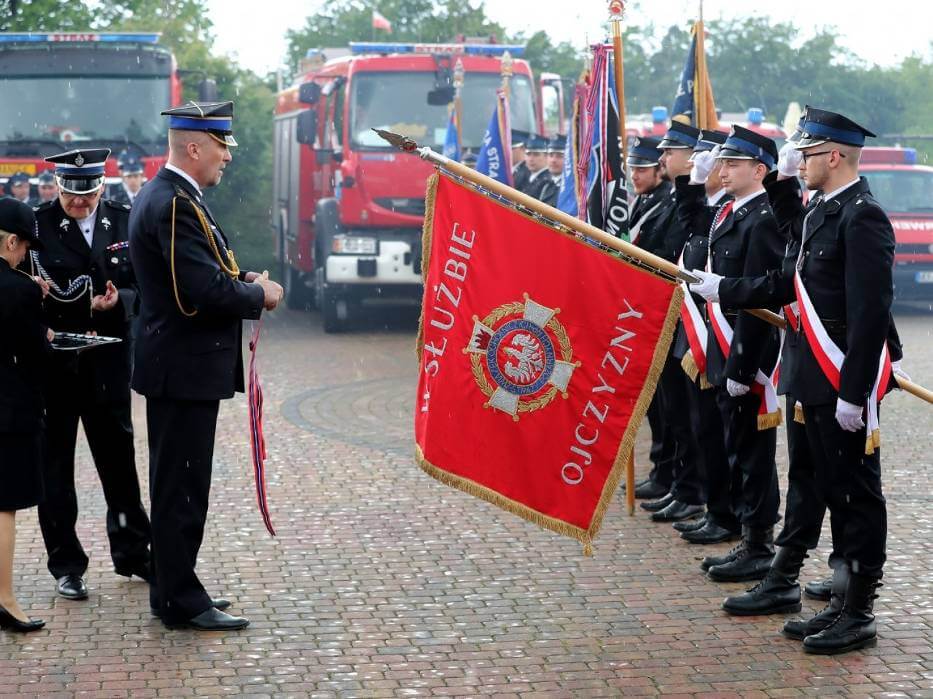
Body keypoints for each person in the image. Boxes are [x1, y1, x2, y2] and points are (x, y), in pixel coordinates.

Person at [690, 108, 899, 655]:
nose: (798, 163)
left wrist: (855, 392)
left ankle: (858, 610)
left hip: (839, 382)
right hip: (808, 374)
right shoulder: (819, 213)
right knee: (818, 482)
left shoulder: (863, 217)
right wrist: (727, 289)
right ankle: (834, 601)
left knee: (855, 495)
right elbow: (787, 283)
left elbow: (870, 312)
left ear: (834, 156)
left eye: (805, 155)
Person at [129, 100, 283, 630]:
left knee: (179, 485)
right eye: (221, 146)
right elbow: (198, 292)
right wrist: (256, 294)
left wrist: (243, 284)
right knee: (182, 489)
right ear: (193, 147)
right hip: (183, 367)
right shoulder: (173, 203)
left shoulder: (169, 195)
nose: (227, 158)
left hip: (177, 365)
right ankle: (179, 600)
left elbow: (204, 276)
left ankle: (175, 586)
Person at [30, 148, 152, 601]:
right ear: (58, 187)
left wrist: (121, 301)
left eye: (88, 193)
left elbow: (146, 283)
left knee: (119, 463)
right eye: (70, 194)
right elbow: (21, 285)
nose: (79, 202)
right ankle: (66, 564)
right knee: (55, 468)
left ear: (102, 186)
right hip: (56, 367)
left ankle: (134, 554)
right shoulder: (37, 225)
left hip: (107, 363)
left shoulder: (123, 220)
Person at [690, 125, 784, 583]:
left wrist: (743, 365)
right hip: (725, 348)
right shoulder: (730, 212)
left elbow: (761, 302)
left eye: (733, 163)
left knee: (753, 454)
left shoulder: (763, 218)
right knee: (736, 448)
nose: (721, 170)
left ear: (760, 170)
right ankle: (749, 539)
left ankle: (760, 544)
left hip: (747, 354)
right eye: (722, 162)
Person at [669, 129, 742, 545]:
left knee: (723, 437)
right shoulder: (715, 213)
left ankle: (729, 515)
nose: (716, 170)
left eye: (715, 162)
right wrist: (692, 183)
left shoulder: (741, 212)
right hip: (699, 335)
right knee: (702, 430)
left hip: (724, 337)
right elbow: (690, 224)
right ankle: (717, 509)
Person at [636, 122, 706, 523]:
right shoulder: (665, 201)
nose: (662, 160)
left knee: (686, 415)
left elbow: (670, 254)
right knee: (670, 410)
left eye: (669, 153)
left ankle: (688, 487)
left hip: (685, 321)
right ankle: (676, 480)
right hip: (666, 318)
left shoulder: (681, 202)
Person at [0, 198, 51, 632]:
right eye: (22, 249)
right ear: (11, 241)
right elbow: (37, 356)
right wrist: (45, 331)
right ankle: (5, 599)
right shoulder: (19, 290)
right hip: (8, 412)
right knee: (4, 509)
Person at [623, 136, 674, 500]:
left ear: (660, 169)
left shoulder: (667, 204)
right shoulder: (641, 202)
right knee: (656, 402)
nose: (635, 175)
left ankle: (671, 473)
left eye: (642, 168)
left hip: (661, 312)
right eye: (633, 168)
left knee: (671, 407)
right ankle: (662, 468)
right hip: (642, 309)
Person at [537, 135, 565, 208]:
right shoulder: (546, 185)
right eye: (551, 155)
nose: (553, 160)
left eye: (559, 156)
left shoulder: (572, 188)